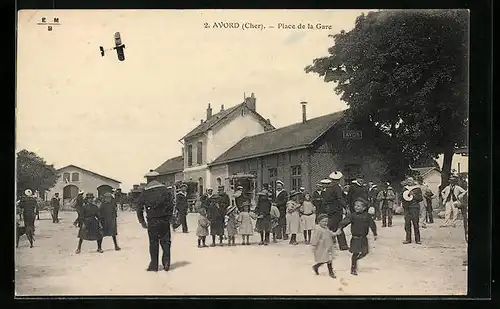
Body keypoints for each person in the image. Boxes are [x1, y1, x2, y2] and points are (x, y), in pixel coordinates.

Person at [136, 178, 174, 272]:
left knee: (153, 243)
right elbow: (171, 205)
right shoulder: (165, 190)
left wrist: (142, 221)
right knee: (166, 242)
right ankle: (166, 263)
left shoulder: (145, 192)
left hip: (152, 221)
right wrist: (169, 217)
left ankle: (154, 265)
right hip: (164, 220)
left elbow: (139, 208)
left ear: (148, 180)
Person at [334, 197, 377, 276]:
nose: (356, 207)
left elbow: (372, 225)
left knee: (365, 252)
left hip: (364, 238)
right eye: (355, 206)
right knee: (355, 253)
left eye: (358, 206)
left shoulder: (367, 216)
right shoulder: (352, 216)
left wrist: (375, 233)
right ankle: (353, 267)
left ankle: (356, 260)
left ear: (364, 208)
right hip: (355, 238)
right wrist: (340, 228)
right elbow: (344, 222)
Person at [324, 172, 349, 251]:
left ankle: (326, 244)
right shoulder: (337, 187)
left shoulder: (328, 188)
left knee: (331, 227)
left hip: (330, 210)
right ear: (338, 180)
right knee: (339, 227)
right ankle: (343, 245)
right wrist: (346, 206)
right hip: (337, 210)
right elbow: (340, 199)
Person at [311, 214, 337, 279]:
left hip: (328, 246)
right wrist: (314, 245)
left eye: (326, 221)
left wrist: (335, 233)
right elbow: (315, 238)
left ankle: (331, 272)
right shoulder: (318, 229)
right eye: (323, 221)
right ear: (319, 222)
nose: (325, 223)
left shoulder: (326, 228)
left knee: (329, 259)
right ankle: (316, 266)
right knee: (324, 259)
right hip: (322, 247)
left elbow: (329, 232)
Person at [402, 177, 423, 244]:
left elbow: (420, 198)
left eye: (411, 180)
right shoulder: (404, 188)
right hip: (407, 208)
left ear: (413, 181)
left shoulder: (417, 189)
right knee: (407, 224)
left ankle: (417, 239)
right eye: (408, 180)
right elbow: (401, 198)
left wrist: (413, 195)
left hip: (414, 207)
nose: (409, 182)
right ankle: (408, 239)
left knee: (415, 224)